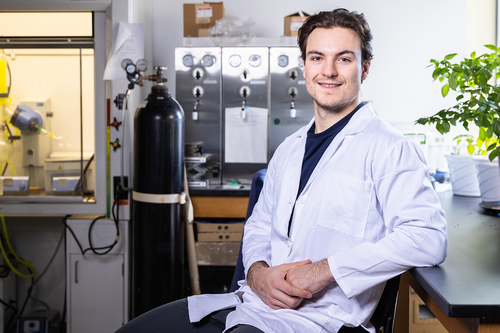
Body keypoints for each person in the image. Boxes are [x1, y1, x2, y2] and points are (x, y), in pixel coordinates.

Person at [116, 8, 448, 333]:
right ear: (304, 67)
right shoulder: (289, 149)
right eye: (317, 57)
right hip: (251, 303)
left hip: (321, 320)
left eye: (344, 58)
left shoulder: (390, 147)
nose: (328, 70)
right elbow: (259, 225)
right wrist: (258, 272)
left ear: (364, 69)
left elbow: (427, 238)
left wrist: (323, 272)